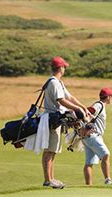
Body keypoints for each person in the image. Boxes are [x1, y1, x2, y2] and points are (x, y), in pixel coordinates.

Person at [42, 56, 90, 189]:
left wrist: (83, 107)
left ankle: (51, 178)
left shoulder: (59, 82)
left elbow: (70, 97)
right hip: (52, 119)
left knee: (54, 150)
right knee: (50, 150)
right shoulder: (54, 82)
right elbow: (61, 100)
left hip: (56, 119)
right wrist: (77, 109)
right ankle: (48, 180)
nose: (64, 69)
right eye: (64, 67)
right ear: (61, 68)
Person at [82, 88, 112, 186]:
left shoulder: (100, 105)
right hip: (93, 136)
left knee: (89, 162)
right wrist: (87, 125)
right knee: (106, 154)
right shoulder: (99, 105)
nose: (111, 98)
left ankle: (88, 185)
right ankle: (108, 180)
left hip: (88, 137)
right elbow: (89, 111)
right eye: (111, 96)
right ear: (108, 97)